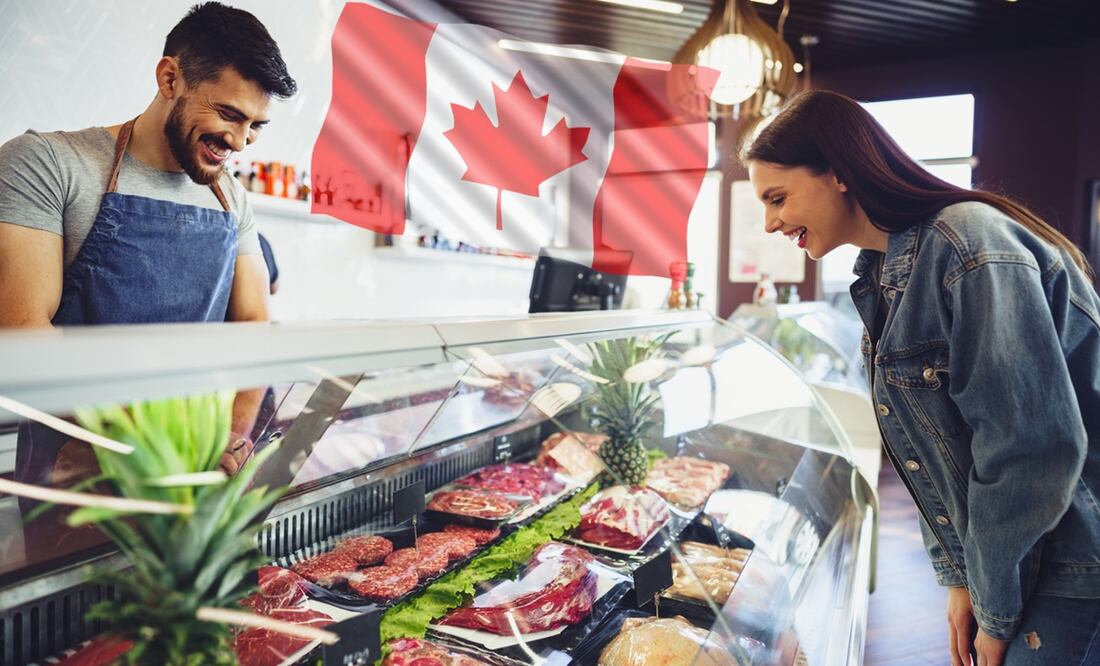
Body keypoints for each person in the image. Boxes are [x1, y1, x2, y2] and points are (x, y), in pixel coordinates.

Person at [744, 90, 1100, 666]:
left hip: (1070, 565)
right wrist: (961, 577)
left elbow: (1028, 450)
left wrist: (995, 608)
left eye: (778, 198)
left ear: (838, 172)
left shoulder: (967, 245)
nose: (770, 223)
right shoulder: (882, 273)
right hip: (1022, 568)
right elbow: (930, 454)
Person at [0, 2, 297, 489]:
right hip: (79, 481)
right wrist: (164, 445)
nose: (241, 142)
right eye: (229, 114)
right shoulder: (46, 163)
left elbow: (254, 328)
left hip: (196, 474)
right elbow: (20, 330)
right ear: (169, 79)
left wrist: (230, 438)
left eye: (256, 125)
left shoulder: (231, 197)